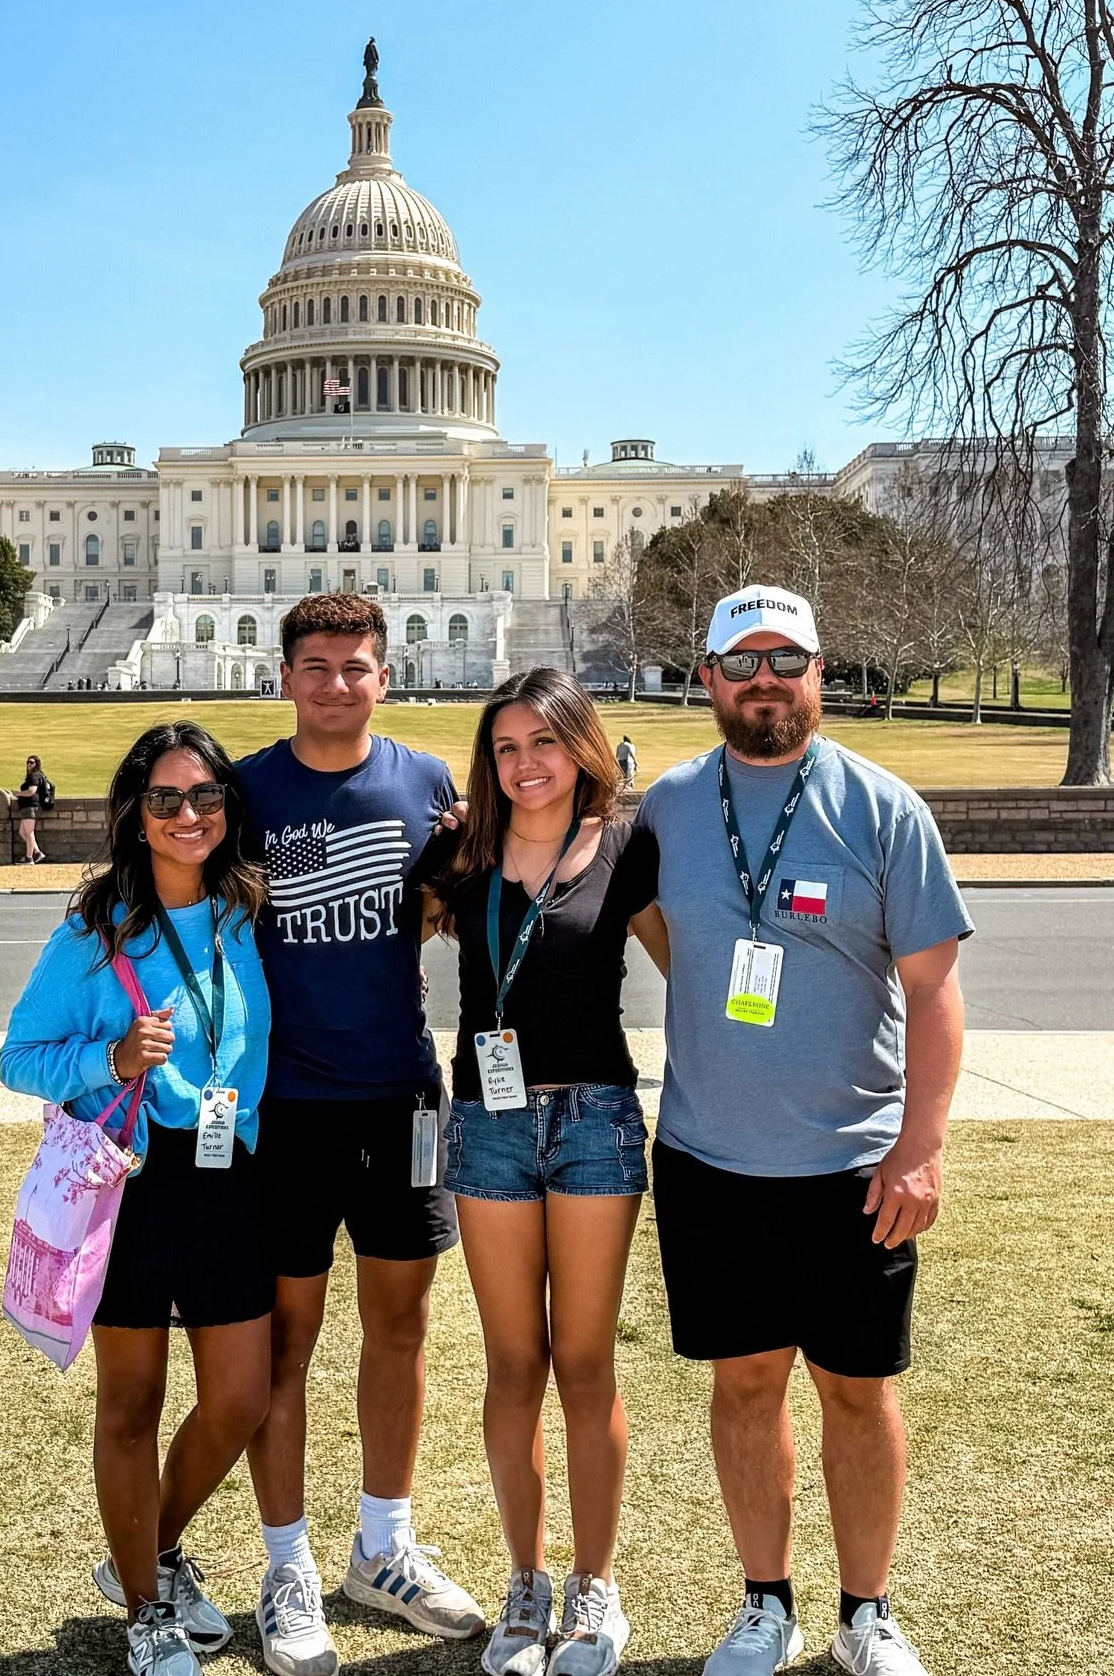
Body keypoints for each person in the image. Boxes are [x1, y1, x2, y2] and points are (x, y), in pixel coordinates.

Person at [635, 586, 973, 1676]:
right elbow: (647, 926)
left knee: (857, 1391)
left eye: (788, 659)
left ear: (822, 672)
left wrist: (920, 1145)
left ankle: (865, 1612)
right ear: (708, 678)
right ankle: (764, 1602)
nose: (766, 680)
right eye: (745, 662)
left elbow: (933, 990)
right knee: (744, 1384)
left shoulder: (883, 809)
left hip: (851, 1164)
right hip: (709, 1158)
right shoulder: (671, 807)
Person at [236, 592, 485, 1676]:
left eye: (358, 667)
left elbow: (449, 904)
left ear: (387, 676)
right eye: (319, 666)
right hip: (282, 1105)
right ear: (284, 675)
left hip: (400, 1094)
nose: (338, 683)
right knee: (286, 1342)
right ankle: (285, 1561)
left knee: (401, 1328)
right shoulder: (243, 790)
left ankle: (382, 1544)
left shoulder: (429, 783)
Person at [0, 721, 274, 1676]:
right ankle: (147, 1611)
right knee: (133, 1402)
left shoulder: (245, 909)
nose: (188, 814)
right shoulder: (96, 927)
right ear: (136, 812)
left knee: (239, 1398)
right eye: (166, 799)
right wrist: (109, 1058)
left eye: (205, 796)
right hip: (130, 1182)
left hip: (227, 1176)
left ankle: (144, 1551)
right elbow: (17, 1057)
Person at [414, 669, 665, 1676]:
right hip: (489, 1125)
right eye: (507, 747)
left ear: (583, 748)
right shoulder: (459, 853)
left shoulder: (627, 850)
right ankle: (527, 1583)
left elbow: (692, 969)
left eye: (545, 744)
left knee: (586, 1363)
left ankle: (594, 1590)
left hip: (596, 1118)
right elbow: (374, 942)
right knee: (515, 1364)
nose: (526, 764)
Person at [16, 755, 52, 864]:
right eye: (27, 762)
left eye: (31, 762)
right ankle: (37, 852)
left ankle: (29, 858)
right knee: (23, 832)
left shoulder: (34, 776)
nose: (28, 764)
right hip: (28, 807)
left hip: (30, 806)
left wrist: (18, 794)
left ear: (36, 764)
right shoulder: (35, 776)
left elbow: (31, 791)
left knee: (29, 832)